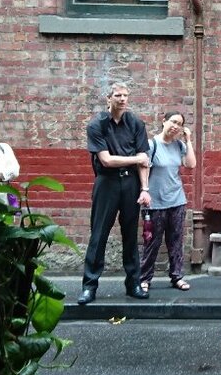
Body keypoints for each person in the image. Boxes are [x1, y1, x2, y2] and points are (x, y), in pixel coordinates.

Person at [78, 82, 151, 304]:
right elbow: (106, 160)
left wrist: (145, 189)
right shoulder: (97, 125)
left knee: (131, 235)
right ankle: (89, 287)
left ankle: (133, 284)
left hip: (131, 184)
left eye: (125, 95)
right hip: (106, 183)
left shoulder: (136, 123)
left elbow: (144, 160)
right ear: (108, 99)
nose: (122, 99)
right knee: (99, 234)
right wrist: (136, 158)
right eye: (117, 95)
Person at [139, 111, 197, 292]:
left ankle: (177, 276)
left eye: (179, 124)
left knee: (176, 241)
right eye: (173, 121)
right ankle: (145, 278)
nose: (176, 126)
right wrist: (144, 191)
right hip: (154, 203)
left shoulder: (179, 145)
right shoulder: (151, 144)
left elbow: (191, 164)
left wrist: (188, 140)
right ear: (163, 121)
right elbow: (143, 168)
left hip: (177, 201)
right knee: (152, 242)